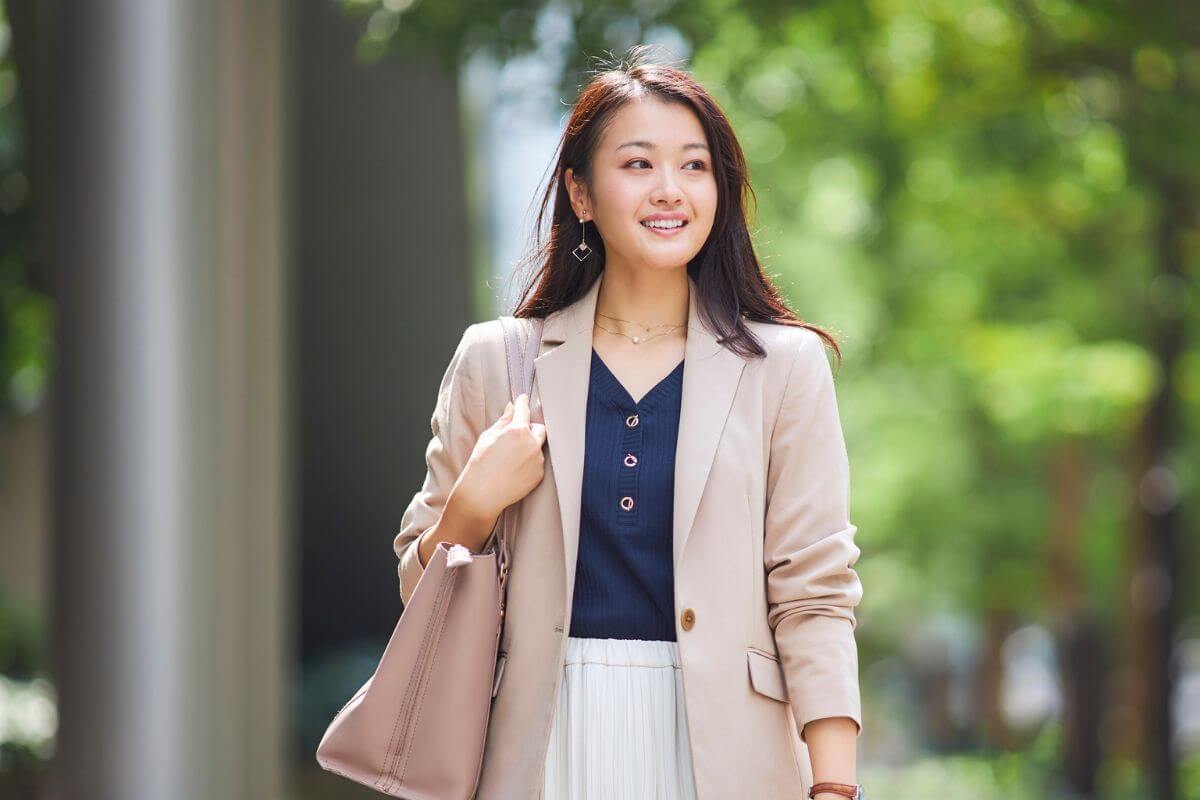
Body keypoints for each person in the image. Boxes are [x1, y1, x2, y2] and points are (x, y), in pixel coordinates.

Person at [395, 45, 866, 800]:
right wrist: (474, 504)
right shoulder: (500, 360)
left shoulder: (785, 367)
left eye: (695, 166)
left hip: (726, 753)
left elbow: (814, 590)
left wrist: (836, 787)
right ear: (581, 193)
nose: (670, 190)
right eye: (638, 164)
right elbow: (418, 598)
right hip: (539, 747)